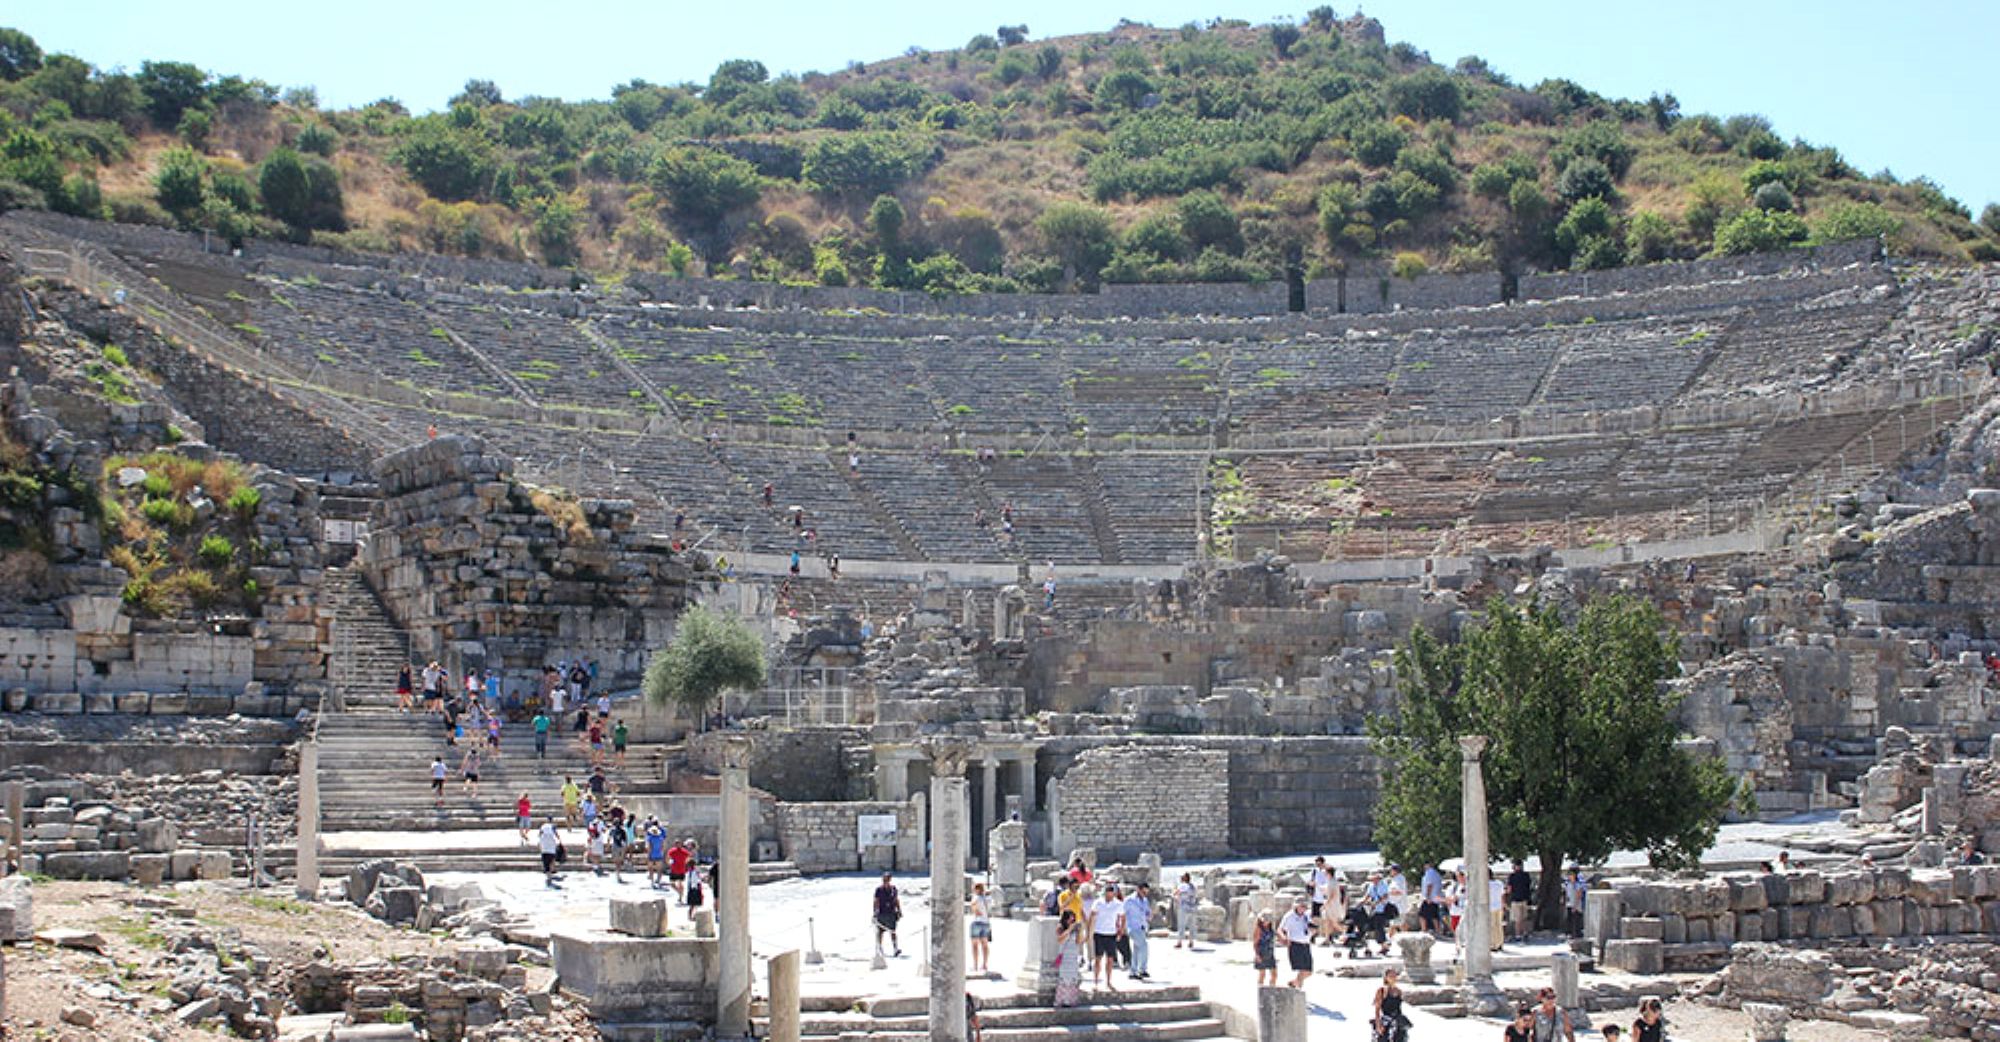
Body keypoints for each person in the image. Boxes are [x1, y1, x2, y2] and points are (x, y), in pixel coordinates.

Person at [1090, 883, 1124, 991]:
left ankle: (1108, 981)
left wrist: (1121, 930)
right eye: (1107, 893)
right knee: (1098, 958)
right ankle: (1095, 981)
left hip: (1111, 933)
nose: (1109, 896)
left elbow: (1123, 917)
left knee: (1110, 959)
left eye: (1111, 893)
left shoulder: (1118, 904)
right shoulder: (1098, 902)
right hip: (1099, 932)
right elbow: (1092, 915)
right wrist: (1090, 931)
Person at [1279, 895, 1314, 989]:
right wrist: (1284, 938)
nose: (1303, 908)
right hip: (1295, 944)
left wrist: (1313, 930)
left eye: (1305, 906)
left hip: (1306, 944)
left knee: (1309, 971)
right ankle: (1299, 990)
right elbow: (1281, 929)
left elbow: (1310, 927)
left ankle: (1295, 982)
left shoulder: (1307, 915)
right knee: (1302, 970)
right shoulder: (1289, 916)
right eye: (1302, 906)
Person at [1054, 911, 1086, 1008]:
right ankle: (1060, 1000)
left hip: (1073, 955)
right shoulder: (1060, 927)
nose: (1071, 920)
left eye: (1073, 918)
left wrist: (1080, 930)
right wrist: (1069, 930)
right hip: (1064, 955)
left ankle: (1070, 1000)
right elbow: (1060, 939)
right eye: (1069, 918)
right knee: (1063, 979)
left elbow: (1079, 941)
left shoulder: (1075, 930)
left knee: (1072, 978)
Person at [1372, 966, 1409, 1042]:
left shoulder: (1399, 991)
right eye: (1391, 976)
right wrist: (1378, 1025)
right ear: (1386, 978)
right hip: (1386, 1021)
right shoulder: (1381, 991)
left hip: (1397, 1021)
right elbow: (1377, 1009)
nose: (1393, 978)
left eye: (1394, 975)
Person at [1124, 882, 1153, 981]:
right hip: (1133, 927)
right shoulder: (1129, 900)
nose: (1145, 894)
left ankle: (1133, 971)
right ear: (1138, 890)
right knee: (1144, 946)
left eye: (1146, 892)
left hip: (1142, 927)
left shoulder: (1145, 900)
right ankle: (1142, 969)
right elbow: (1122, 913)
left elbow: (1147, 911)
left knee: (1137, 949)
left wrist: (1149, 915)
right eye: (1143, 892)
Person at [873, 873, 904, 957]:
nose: (885, 881)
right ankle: (879, 948)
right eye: (884, 879)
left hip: (891, 912)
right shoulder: (879, 890)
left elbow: (896, 900)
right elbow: (876, 901)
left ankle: (895, 948)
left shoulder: (893, 889)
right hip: (882, 913)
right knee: (880, 932)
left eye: (887, 879)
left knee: (893, 931)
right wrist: (875, 912)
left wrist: (899, 910)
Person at [968, 882, 993, 974]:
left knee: (975, 945)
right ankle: (985, 964)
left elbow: (974, 907)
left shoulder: (976, 897)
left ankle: (975, 965)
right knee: (985, 945)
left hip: (976, 922)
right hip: (986, 922)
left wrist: (975, 909)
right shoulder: (988, 898)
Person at [1507, 861, 1534, 941]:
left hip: (1515, 899)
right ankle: (1525, 933)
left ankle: (1518, 935)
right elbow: (1529, 886)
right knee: (1524, 917)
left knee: (1517, 919)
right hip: (1525, 898)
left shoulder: (1512, 876)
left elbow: (1509, 889)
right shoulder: (1526, 875)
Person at [1251, 909, 1278, 987]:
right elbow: (1255, 943)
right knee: (1262, 974)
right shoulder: (1258, 929)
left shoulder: (1270, 929)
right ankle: (1260, 991)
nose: (1266, 922)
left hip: (1270, 952)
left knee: (1274, 974)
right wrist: (1257, 955)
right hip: (1261, 952)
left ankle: (1272, 989)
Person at [1420, 862, 1446, 937]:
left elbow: (1429, 885)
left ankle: (1424, 930)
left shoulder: (1429, 873)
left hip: (1430, 897)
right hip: (1435, 897)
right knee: (1434, 915)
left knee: (1422, 914)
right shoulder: (1436, 873)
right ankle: (1437, 930)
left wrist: (1428, 896)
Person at [1174, 872, 1200, 948]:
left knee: (1181, 925)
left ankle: (1179, 942)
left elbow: (1176, 893)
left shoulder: (1182, 886)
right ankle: (1191, 942)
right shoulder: (1193, 886)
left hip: (1184, 908)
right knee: (1191, 925)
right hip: (1192, 907)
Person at [1563, 867, 1588, 937]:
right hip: (1569, 904)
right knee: (1569, 921)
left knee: (1576, 921)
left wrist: (1575, 905)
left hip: (1576, 905)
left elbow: (1578, 895)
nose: (1570, 876)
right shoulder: (1568, 884)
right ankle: (1570, 934)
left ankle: (1577, 935)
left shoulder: (1577, 884)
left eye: (1571, 874)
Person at [539, 818, 563, 889]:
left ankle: (548, 874)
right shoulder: (552, 827)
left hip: (544, 847)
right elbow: (556, 834)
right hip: (551, 847)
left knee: (545, 861)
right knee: (552, 859)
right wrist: (559, 841)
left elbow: (540, 834)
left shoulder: (543, 827)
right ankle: (551, 872)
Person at [644, 817, 668, 889]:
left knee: (651, 868)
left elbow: (649, 847)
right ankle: (659, 881)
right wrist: (662, 852)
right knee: (659, 869)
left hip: (652, 854)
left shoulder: (650, 838)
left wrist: (648, 855)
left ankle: (652, 882)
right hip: (659, 854)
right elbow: (663, 846)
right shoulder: (660, 838)